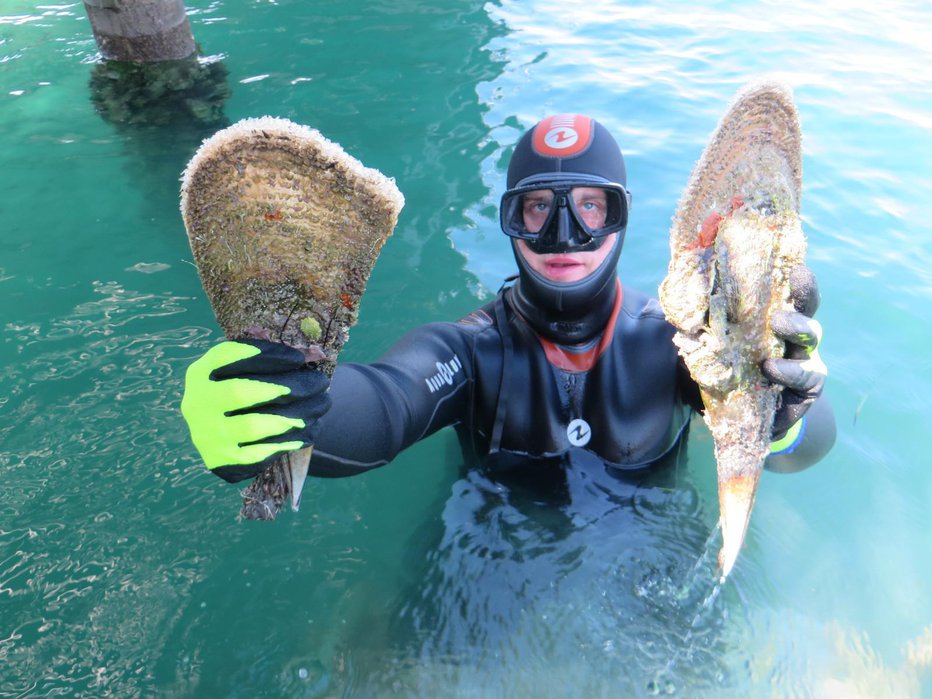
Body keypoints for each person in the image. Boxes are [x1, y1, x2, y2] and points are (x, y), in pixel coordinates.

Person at [181, 114, 835, 488]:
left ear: (622, 217)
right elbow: (385, 403)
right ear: (509, 222)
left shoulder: (680, 342)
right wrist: (280, 412)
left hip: (648, 576)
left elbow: (803, 452)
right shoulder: (469, 350)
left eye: (589, 208)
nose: (562, 236)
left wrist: (782, 408)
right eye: (536, 210)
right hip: (491, 567)